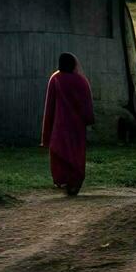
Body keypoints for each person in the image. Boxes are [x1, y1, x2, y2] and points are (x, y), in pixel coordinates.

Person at [41, 52, 95, 196]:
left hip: (60, 125)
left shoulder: (55, 79)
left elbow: (50, 105)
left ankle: (64, 181)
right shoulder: (81, 81)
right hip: (76, 127)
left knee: (60, 152)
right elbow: (87, 104)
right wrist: (89, 119)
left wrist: (47, 130)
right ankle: (74, 182)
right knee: (75, 153)